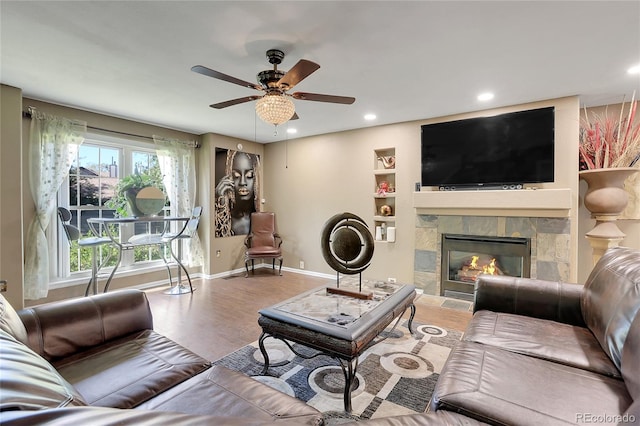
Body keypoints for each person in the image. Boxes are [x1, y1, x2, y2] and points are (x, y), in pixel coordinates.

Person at [215, 150, 260, 237]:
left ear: (256, 179)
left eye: (249, 175)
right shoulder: (227, 220)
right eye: (236, 176)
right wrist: (220, 200)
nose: (242, 182)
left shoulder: (260, 219)